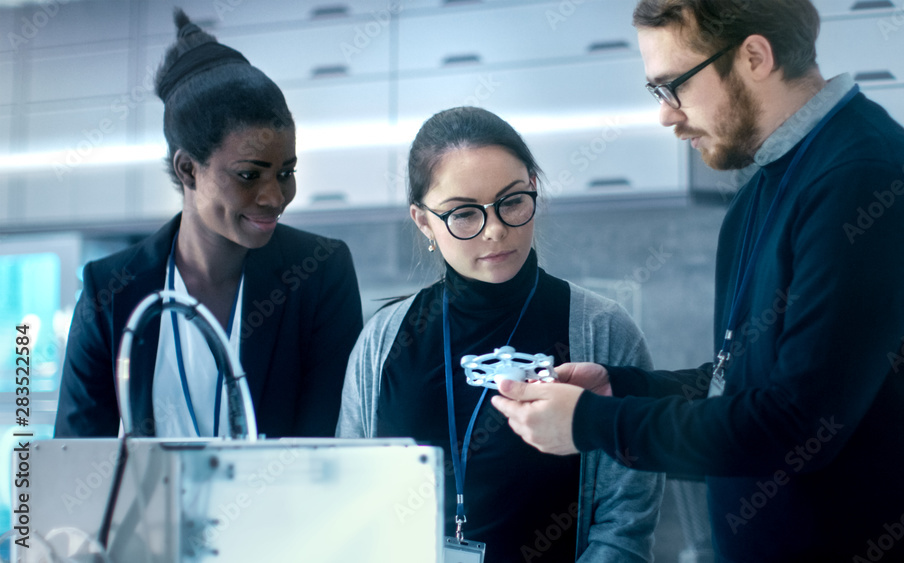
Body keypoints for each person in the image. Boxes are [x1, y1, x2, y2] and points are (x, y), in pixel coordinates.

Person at [492, 0, 904, 561]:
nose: (667, 115)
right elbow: (746, 385)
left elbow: (796, 425)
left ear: (754, 56)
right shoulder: (766, 186)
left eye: (674, 85)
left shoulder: (861, 178)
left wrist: (593, 423)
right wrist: (621, 388)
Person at [337, 106, 663, 562]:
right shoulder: (383, 341)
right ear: (423, 221)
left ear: (534, 188)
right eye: (463, 214)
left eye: (511, 202)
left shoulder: (602, 330)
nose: (494, 231)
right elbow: (354, 501)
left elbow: (623, 523)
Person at [55, 10, 363, 439]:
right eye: (249, 175)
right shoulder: (111, 289)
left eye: (286, 172)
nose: (275, 197)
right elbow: (76, 455)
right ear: (188, 170)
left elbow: (331, 447)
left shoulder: (319, 272)